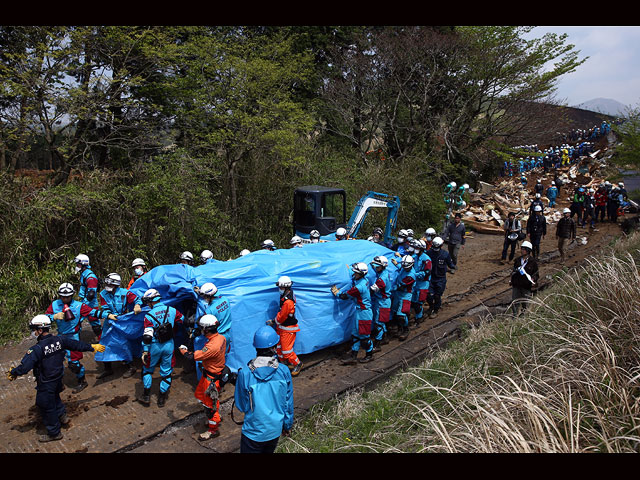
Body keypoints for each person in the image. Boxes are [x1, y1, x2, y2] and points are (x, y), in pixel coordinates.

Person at [6, 315, 105, 443]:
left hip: (46, 382)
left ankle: (54, 433)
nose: (33, 332)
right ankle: (62, 416)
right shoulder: (60, 340)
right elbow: (76, 345)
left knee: (45, 405)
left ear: (40, 330)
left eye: (34, 329)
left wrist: (13, 372)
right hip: (58, 377)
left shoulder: (37, 349)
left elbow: (24, 368)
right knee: (55, 396)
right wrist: (92, 347)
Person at [234, 326, 294, 454]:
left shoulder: (245, 374)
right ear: (274, 347)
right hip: (275, 430)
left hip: (253, 433)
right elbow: (288, 403)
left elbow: (241, 405)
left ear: (256, 347)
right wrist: (287, 425)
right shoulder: (284, 371)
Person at [45, 283, 100, 393]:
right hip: (60, 336)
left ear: (72, 295)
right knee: (55, 362)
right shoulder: (55, 305)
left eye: (67, 297)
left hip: (73, 337)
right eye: (62, 296)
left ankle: (82, 381)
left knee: (74, 363)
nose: (65, 299)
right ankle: (59, 384)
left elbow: (93, 312)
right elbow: (45, 317)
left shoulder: (79, 306)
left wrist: (108, 315)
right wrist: (53, 316)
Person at [179, 314, 227, 441]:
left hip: (211, 380)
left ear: (206, 329)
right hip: (215, 375)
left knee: (210, 406)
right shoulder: (221, 338)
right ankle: (214, 418)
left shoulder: (212, 347)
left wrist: (184, 351)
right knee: (207, 399)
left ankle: (213, 430)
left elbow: (192, 357)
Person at [139, 288, 184, 407]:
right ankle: (161, 399)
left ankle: (146, 396)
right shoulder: (173, 310)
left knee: (147, 370)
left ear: (150, 301)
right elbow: (183, 320)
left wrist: (145, 351)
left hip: (154, 346)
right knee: (167, 371)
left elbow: (147, 337)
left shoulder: (148, 316)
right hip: (169, 345)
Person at [94, 273, 143, 379]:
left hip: (122, 321)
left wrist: (137, 305)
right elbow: (105, 307)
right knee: (104, 342)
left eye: (110, 284)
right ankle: (107, 369)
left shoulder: (125, 293)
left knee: (123, 343)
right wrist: (109, 315)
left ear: (116, 285)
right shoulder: (103, 294)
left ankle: (130, 366)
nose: (107, 286)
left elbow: (137, 299)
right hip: (110, 320)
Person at [333, 262, 375, 363]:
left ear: (361, 274)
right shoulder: (364, 279)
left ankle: (369, 354)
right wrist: (349, 269)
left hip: (364, 313)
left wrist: (337, 293)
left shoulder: (359, 287)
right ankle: (353, 355)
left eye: (356, 273)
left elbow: (345, 296)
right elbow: (354, 277)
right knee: (355, 334)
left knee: (364, 337)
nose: (354, 274)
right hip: (359, 311)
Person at [267, 276, 302, 376]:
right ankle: (284, 365)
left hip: (288, 329)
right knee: (279, 348)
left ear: (285, 287)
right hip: (282, 328)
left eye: (281, 287)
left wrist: (273, 321)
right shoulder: (287, 295)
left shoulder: (288, 302)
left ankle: (298, 363)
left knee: (286, 351)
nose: (279, 289)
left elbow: (282, 316)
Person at [426, 237, 455, 319]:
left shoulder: (445, 254)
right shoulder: (429, 253)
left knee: (437, 296)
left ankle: (435, 310)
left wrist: (452, 267)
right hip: (431, 278)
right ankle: (431, 306)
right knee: (429, 295)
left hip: (440, 279)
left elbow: (450, 264)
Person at [389, 255, 416, 340]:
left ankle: (405, 329)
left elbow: (400, 286)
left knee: (401, 314)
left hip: (405, 294)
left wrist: (389, 289)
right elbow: (401, 267)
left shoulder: (411, 275)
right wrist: (396, 264)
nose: (405, 269)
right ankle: (399, 327)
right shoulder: (404, 268)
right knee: (394, 311)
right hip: (398, 294)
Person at [74, 254, 101, 338]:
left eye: (78, 264)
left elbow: (91, 294)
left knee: (76, 320)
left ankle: (103, 340)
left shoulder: (90, 277)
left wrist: (82, 305)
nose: (76, 266)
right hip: (87, 301)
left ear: (83, 264)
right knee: (94, 322)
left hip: (89, 302)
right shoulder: (84, 274)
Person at [508, 241, 539, 316]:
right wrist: (511, 280)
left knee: (526, 303)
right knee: (515, 303)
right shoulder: (517, 260)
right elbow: (513, 271)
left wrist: (533, 279)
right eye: (522, 248)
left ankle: (524, 317)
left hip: (526, 286)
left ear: (528, 251)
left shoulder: (533, 262)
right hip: (516, 285)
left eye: (524, 249)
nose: (522, 250)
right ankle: (514, 317)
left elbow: (536, 274)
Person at [369, 255, 392, 350]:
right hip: (381, 301)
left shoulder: (382, 279)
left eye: (377, 266)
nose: (375, 267)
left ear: (382, 266)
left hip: (383, 302)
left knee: (379, 323)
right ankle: (384, 338)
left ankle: (377, 344)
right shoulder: (383, 272)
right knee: (381, 322)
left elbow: (371, 290)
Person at [411, 239, 432, 326]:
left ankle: (419, 317)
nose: (415, 249)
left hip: (423, 283)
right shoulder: (414, 257)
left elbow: (427, 272)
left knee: (419, 302)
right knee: (413, 301)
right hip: (415, 283)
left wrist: (415, 274)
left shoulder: (426, 259)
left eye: (417, 248)